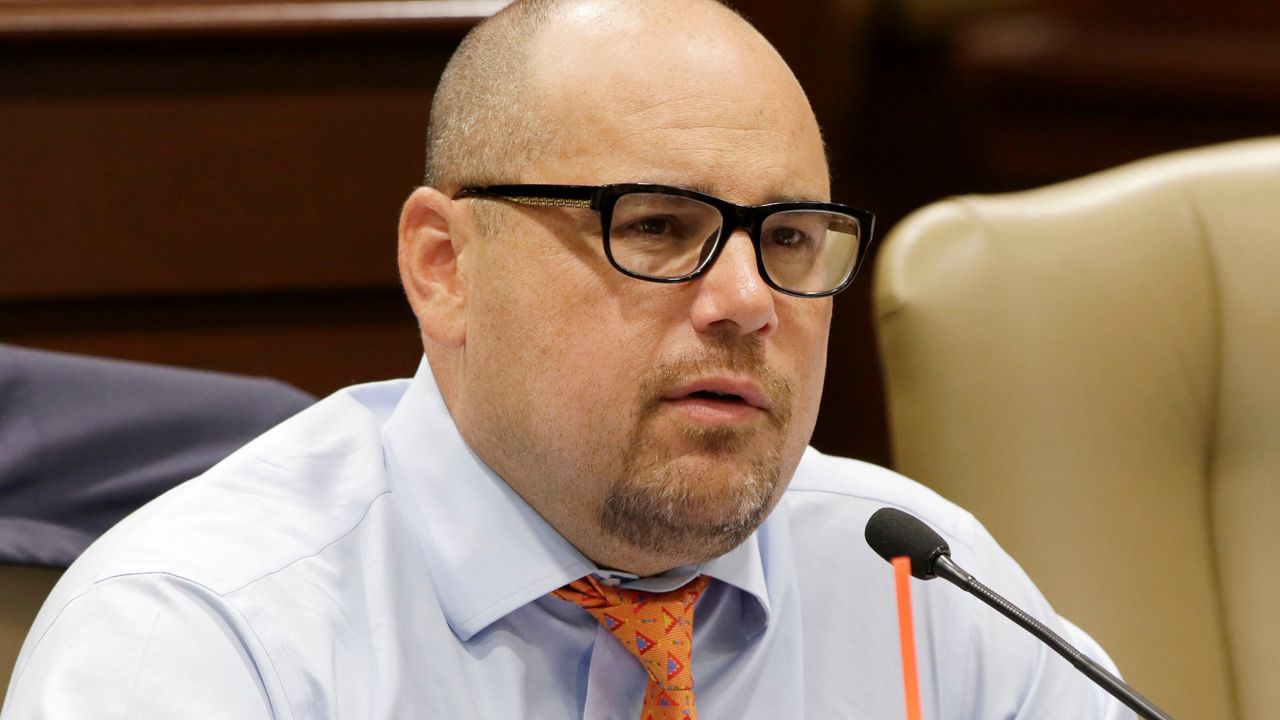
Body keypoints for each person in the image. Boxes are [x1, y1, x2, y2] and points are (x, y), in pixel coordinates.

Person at [2, 1, 1131, 718]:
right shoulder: (204, 637)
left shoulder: (915, 583)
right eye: (653, 227)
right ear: (444, 265)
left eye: (787, 239)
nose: (744, 300)